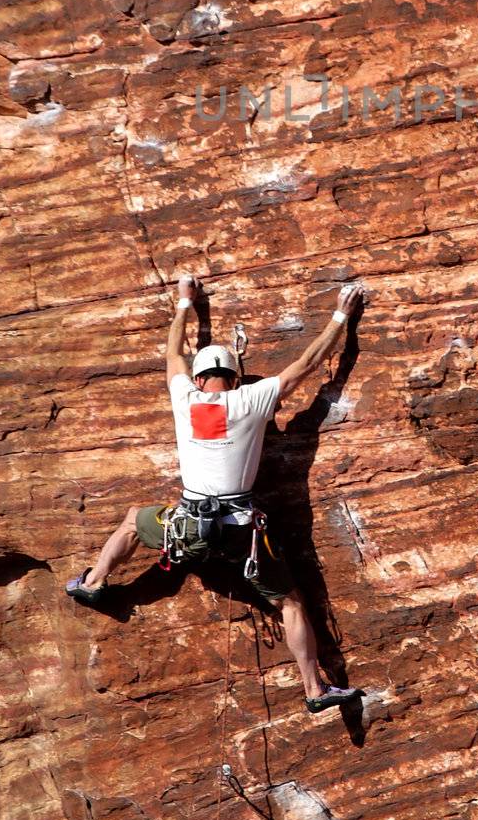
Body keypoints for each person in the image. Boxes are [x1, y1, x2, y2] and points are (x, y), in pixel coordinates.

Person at [66, 274, 365, 714]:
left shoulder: (184, 397)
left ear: (201, 377)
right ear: (234, 377)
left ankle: (93, 583)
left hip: (187, 526)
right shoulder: (253, 399)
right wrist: (343, 314)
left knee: (134, 520)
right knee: (292, 603)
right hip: (242, 534)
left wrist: (186, 304)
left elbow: (173, 354)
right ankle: (314, 690)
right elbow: (308, 363)